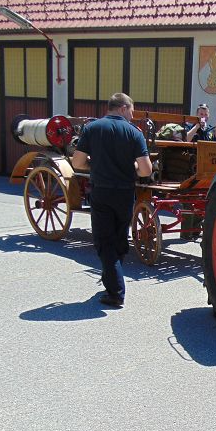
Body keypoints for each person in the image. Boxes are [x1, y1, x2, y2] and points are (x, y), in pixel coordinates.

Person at [71, 93, 153, 308]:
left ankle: (115, 291)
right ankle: (112, 280)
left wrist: (95, 165)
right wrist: (132, 167)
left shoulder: (92, 128)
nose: (132, 116)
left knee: (104, 241)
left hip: (102, 191)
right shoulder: (134, 133)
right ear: (124, 108)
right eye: (132, 111)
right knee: (118, 239)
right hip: (125, 193)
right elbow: (145, 170)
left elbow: (78, 163)